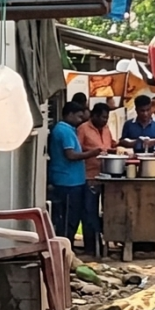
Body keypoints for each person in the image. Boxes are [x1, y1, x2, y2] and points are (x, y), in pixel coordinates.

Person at [48, 99, 101, 245]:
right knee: (67, 219)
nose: (80, 120)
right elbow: (70, 155)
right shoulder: (63, 130)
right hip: (67, 181)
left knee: (73, 217)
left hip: (75, 180)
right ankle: (64, 247)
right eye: (78, 116)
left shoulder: (69, 130)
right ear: (69, 114)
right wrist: (91, 153)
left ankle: (67, 247)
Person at [77, 102, 116, 257]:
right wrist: (93, 152)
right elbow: (77, 150)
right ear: (93, 116)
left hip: (106, 175)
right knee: (89, 211)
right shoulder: (83, 129)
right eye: (102, 117)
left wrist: (118, 147)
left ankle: (103, 243)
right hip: (89, 176)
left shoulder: (106, 129)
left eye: (106, 118)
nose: (104, 120)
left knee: (108, 211)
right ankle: (91, 246)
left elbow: (110, 145)